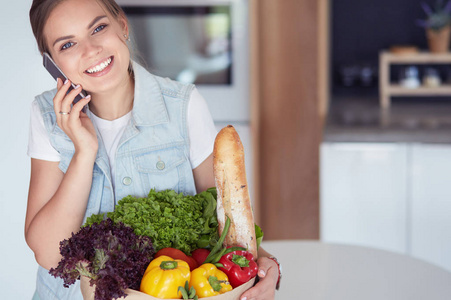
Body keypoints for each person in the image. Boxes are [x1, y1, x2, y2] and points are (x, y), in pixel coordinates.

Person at [26, 0, 280, 299]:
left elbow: (225, 219)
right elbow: (48, 254)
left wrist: (267, 263)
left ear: (122, 25)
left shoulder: (183, 105)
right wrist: (84, 152)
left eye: (98, 27)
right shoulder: (46, 116)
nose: (90, 49)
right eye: (67, 44)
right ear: (52, 62)